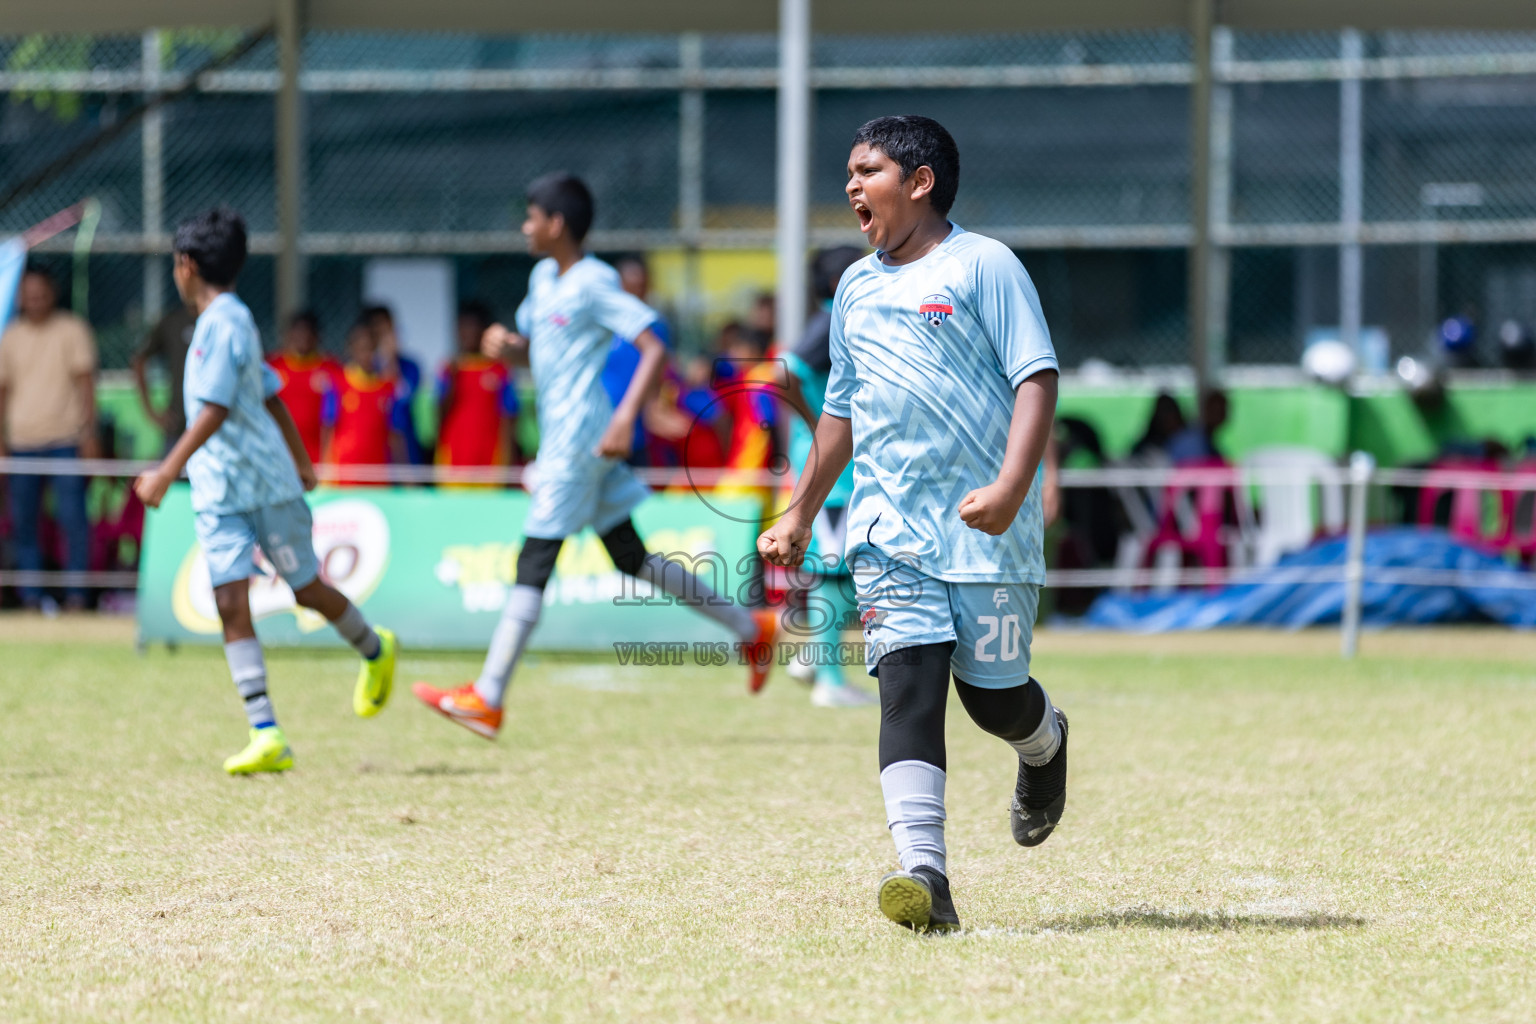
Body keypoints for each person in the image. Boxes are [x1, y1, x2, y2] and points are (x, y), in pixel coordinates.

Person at [758, 116, 1067, 933]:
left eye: (868, 171)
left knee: (991, 701)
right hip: (888, 532)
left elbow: (1037, 379)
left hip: (987, 535)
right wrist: (800, 511)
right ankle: (925, 875)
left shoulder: (984, 266)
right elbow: (840, 411)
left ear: (920, 182)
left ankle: (1044, 743)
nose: (852, 186)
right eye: (849, 172)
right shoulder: (854, 289)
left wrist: (1012, 486)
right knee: (907, 689)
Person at [411, 172, 777, 739]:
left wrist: (627, 416)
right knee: (631, 557)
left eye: (532, 216)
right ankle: (751, 628)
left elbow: (653, 343)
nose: (525, 226)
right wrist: (509, 349)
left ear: (556, 224)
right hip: (570, 438)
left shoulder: (593, 281)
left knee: (535, 557)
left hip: (579, 442)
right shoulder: (542, 279)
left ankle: (488, 696)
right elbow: (539, 352)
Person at [133, 207, 397, 775]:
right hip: (219, 493)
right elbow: (270, 393)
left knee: (306, 590)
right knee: (230, 600)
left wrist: (165, 471)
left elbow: (215, 409)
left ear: (186, 266)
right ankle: (266, 732)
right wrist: (304, 458)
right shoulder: (220, 323)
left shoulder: (226, 322)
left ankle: (376, 648)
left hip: (266, 484)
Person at [780, 245, 878, 709]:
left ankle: (815, 656)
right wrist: (816, 422)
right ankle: (830, 680)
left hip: (843, 466)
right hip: (831, 471)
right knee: (835, 571)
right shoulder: (830, 321)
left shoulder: (841, 321)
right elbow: (784, 373)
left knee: (852, 566)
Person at [0, 264, 97, 610]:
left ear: (52, 293)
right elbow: (3, 392)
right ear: (20, 297)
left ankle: (77, 596)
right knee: (24, 523)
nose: (36, 300)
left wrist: (89, 434)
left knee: (73, 521)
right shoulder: (11, 336)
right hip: (22, 443)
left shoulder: (72, 329)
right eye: (30, 295)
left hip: (65, 441)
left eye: (41, 294)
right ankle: (30, 597)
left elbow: (87, 386)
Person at [436, 300, 520, 480]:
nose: (467, 333)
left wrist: (508, 461)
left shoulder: (500, 370)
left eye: (472, 326)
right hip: (454, 460)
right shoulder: (449, 369)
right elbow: (439, 415)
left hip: (490, 461)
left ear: (483, 331)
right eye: (463, 327)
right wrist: (453, 380)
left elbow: (509, 416)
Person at [600, 256, 668, 466]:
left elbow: (658, 377)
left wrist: (655, 408)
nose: (638, 294)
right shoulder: (602, 326)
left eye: (642, 287)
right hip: (599, 422)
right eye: (632, 287)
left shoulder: (656, 328)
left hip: (637, 429)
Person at [323, 318, 405, 485]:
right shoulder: (337, 383)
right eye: (360, 348)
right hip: (345, 476)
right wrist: (326, 473)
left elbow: (395, 434)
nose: (366, 354)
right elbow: (327, 428)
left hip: (379, 476)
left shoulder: (388, 387)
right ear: (351, 349)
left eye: (370, 348)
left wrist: (406, 476)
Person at [267, 310, 342, 466]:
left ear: (317, 336)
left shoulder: (331, 369)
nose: (304, 337)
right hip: (279, 456)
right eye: (299, 332)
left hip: (318, 459)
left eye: (308, 332)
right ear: (289, 335)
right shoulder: (274, 367)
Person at [132, 300, 197, 454]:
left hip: (215, 427)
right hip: (178, 427)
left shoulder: (221, 320)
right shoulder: (174, 321)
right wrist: (151, 410)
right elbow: (139, 359)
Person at [1166, 388, 1228, 464]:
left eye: (1222, 411)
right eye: (1215, 410)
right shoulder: (1189, 441)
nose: (1218, 415)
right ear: (1206, 410)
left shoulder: (1211, 440)